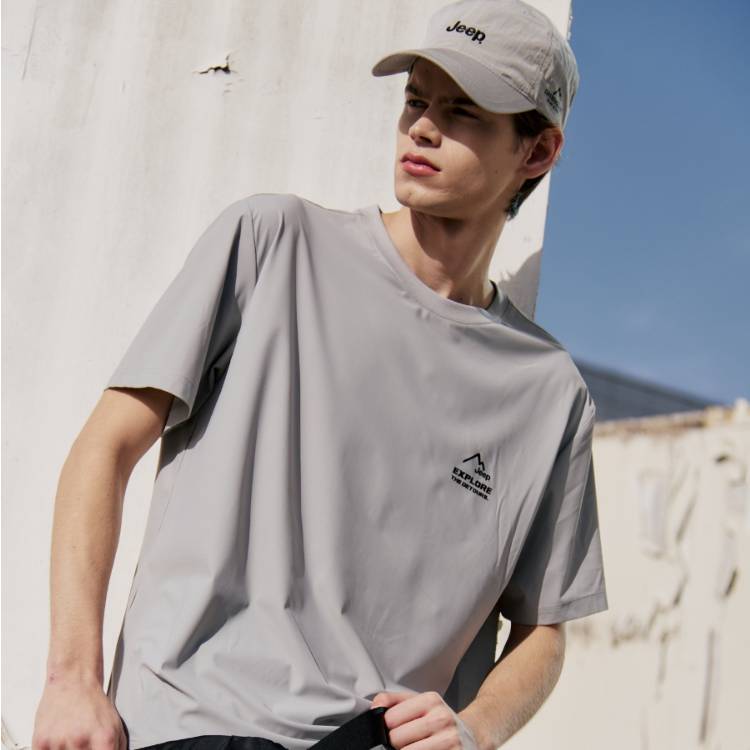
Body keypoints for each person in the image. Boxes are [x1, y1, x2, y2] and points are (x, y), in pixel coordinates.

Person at [32, 1, 608, 749]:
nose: (421, 128)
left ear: (537, 152)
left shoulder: (550, 392)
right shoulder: (271, 242)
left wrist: (474, 730)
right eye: (416, 100)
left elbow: (544, 630)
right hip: (194, 722)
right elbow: (105, 448)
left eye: (462, 111)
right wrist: (71, 679)